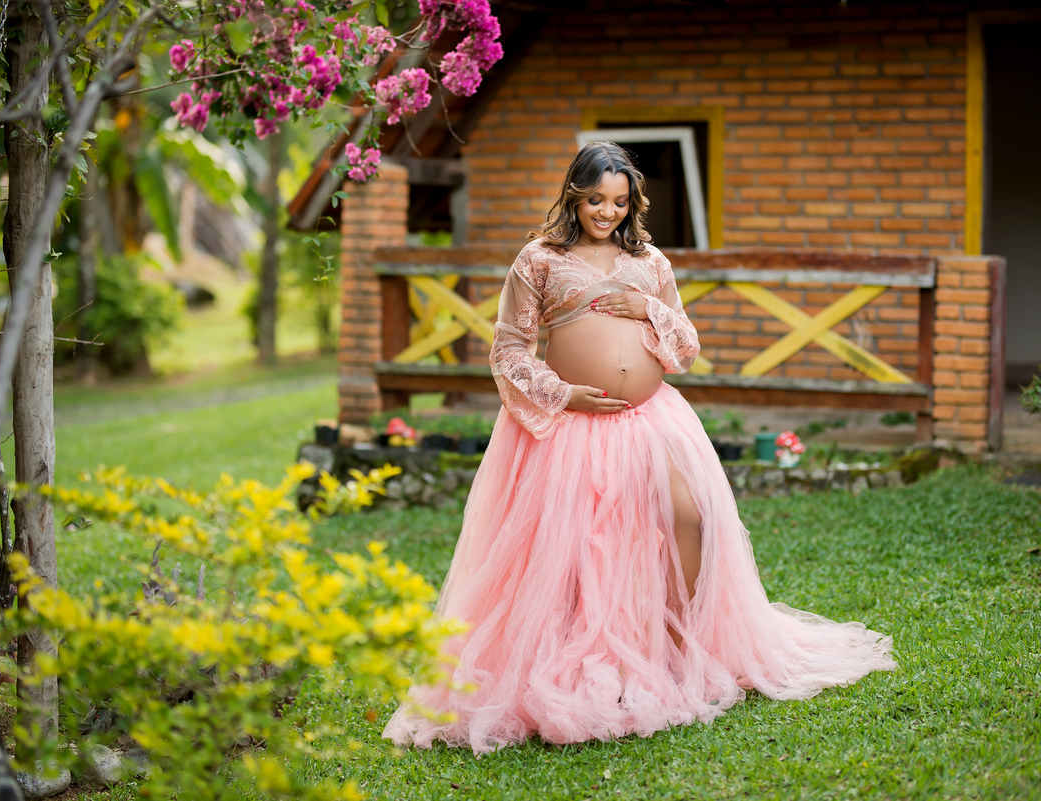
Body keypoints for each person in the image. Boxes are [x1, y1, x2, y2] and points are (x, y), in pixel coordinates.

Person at [383, 141, 894, 755]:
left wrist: (645, 306)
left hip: (650, 418)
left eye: (620, 202)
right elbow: (509, 350)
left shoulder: (650, 260)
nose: (608, 212)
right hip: (570, 425)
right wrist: (562, 393)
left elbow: (683, 347)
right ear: (574, 195)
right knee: (575, 546)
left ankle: (682, 650)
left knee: (690, 517)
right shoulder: (538, 260)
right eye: (596, 199)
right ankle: (582, 654)